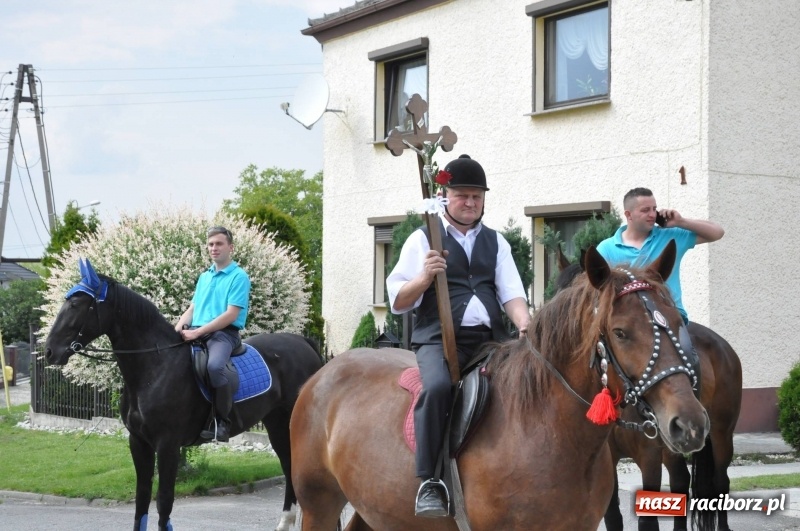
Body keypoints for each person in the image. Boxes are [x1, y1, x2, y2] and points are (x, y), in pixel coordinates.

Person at [387, 154, 530, 518]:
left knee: (527, 385)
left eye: (476, 196)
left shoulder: (496, 242)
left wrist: (525, 324)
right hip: (437, 340)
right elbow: (398, 301)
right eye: (462, 195)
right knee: (437, 388)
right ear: (444, 197)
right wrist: (424, 277)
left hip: (489, 340)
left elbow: (511, 293)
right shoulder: (423, 238)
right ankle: (430, 481)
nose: (470, 202)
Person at [596, 187, 724, 323]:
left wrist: (681, 222)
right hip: (630, 322)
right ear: (628, 215)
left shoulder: (670, 236)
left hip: (671, 317)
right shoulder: (606, 249)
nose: (652, 215)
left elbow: (717, 233)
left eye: (654, 209)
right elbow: (598, 291)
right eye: (645, 210)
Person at [175, 226, 251, 442]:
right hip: (196, 331)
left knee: (215, 367)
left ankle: (222, 423)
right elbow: (193, 308)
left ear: (231, 247)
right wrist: (178, 328)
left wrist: (198, 331)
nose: (214, 248)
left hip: (223, 335)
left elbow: (231, 314)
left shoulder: (239, 276)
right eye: (210, 244)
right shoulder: (204, 276)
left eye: (219, 244)